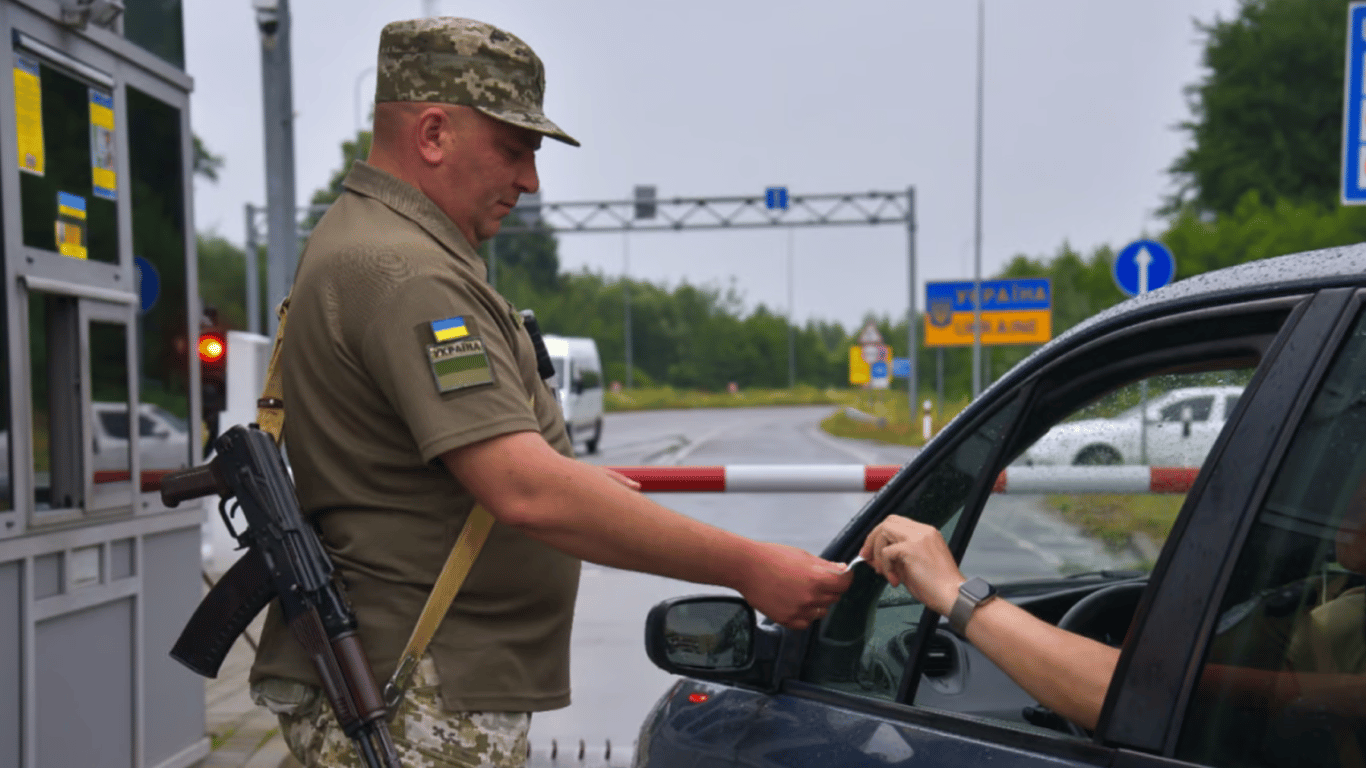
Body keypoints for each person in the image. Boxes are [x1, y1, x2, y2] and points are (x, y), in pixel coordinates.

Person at [247, 17, 853, 768]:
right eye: (514, 148)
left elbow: (460, 468)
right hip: (420, 690)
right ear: (433, 133)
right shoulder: (409, 273)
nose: (530, 180)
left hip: (410, 674)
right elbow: (526, 493)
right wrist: (749, 567)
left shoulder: (369, 240)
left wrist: (564, 478)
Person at [859, 481, 1366, 733]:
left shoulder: (1350, 618)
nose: (1351, 494)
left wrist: (955, 592)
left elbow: (1133, 693)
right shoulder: (1332, 594)